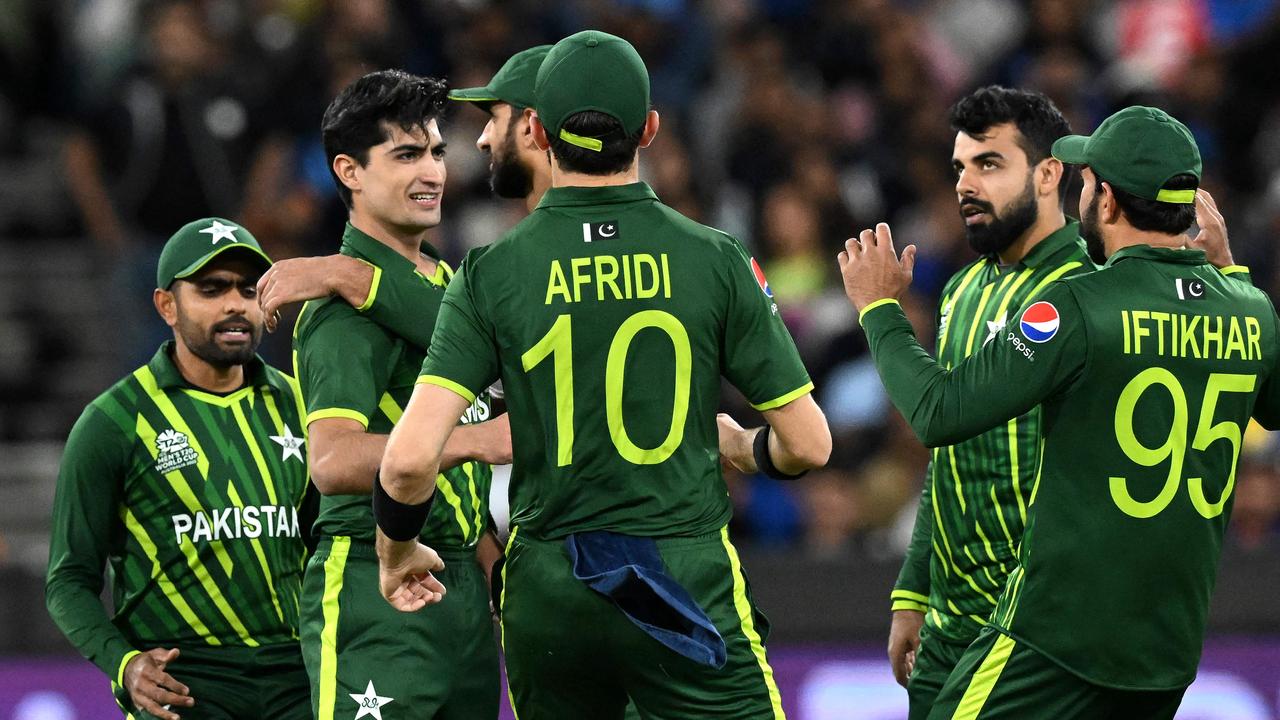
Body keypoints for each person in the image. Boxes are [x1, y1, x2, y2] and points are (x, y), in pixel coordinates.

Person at [374, 31, 832, 720]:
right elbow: (809, 445)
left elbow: (408, 462)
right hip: (681, 575)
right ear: (649, 129)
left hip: (550, 587)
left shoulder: (488, 273)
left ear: (537, 129)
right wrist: (743, 447)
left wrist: (397, 552)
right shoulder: (716, 259)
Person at [839, 106, 1279, 719]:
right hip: (1164, 653)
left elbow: (940, 413)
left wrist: (879, 309)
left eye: (1087, 181)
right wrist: (1231, 270)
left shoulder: (1076, 305)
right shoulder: (1250, 309)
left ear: (1106, 201)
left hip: (1053, 641)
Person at [290, 70, 511, 720]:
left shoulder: (452, 283)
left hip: (461, 588)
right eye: (407, 154)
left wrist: (491, 570)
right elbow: (332, 463)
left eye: (438, 152)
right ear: (349, 171)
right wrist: (474, 441)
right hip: (371, 589)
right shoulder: (339, 316)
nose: (433, 172)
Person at [46, 218, 311, 720]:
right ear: (166, 306)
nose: (235, 304)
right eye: (211, 289)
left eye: (248, 289)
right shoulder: (113, 422)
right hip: (184, 684)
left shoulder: (301, 404)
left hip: (297, 679)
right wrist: (123, 664)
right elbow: (68, 579)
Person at [886, 87, 1089, 712]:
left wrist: (878, 310)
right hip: (949, 625)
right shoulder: (963, 289)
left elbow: (937, 415)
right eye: (960, 168)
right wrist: (913, 594)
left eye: (990, 164)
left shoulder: (1086, 291)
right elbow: (948, 459)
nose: (966, 185)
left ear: (1049, 172)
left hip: (1030, 626)